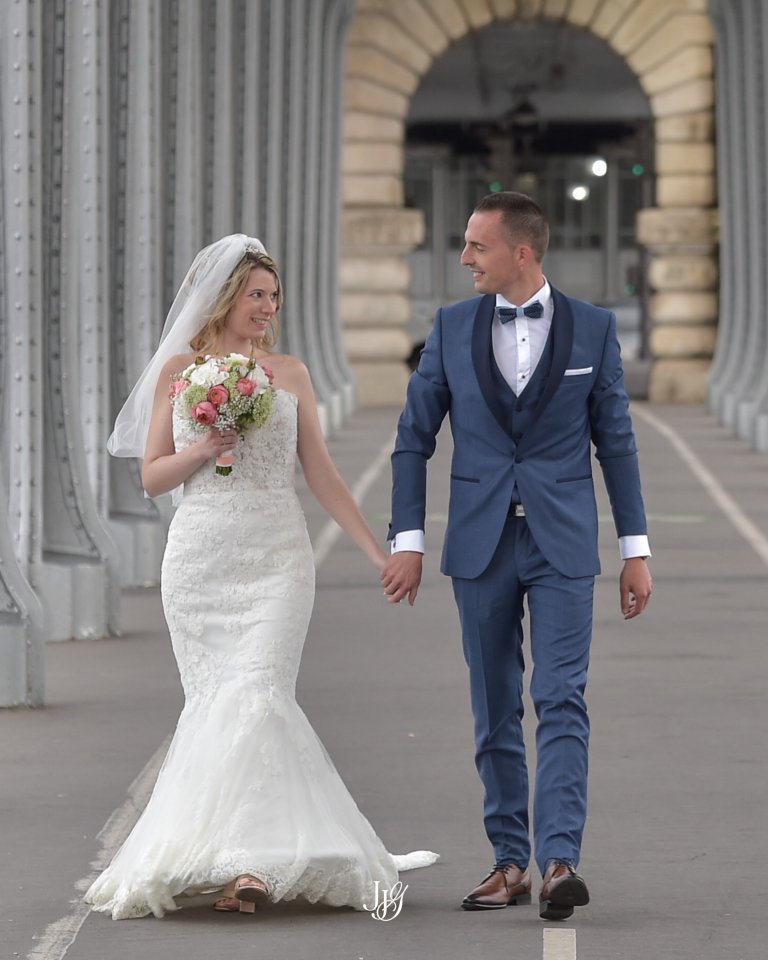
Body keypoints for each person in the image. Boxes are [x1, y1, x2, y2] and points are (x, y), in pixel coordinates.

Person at [85, 235, 436, 920]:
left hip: (277, 558)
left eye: (273, 297)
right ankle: (232, 858)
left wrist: (377, 552)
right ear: (223, 299)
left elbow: (322, 475)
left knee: (257, 693)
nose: (267, 308)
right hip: (200, 561)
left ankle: (246, 864)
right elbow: (153, 475)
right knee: (218, 703)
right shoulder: (178, 376)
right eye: (256, 295)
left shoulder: (292, 374)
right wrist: (204, 449)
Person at [380, 193, 652, 920]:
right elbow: (413, 439)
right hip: (479, 542)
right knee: (495, 704)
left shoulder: (593, 330)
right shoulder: (450, 327)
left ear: (521, 253)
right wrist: (407, 541)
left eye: (477, 246)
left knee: (561, 696)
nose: (464, 258)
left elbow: (616, 442)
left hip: (563, 541)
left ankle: (559, 857)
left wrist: (636, 550)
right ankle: (509, 863)